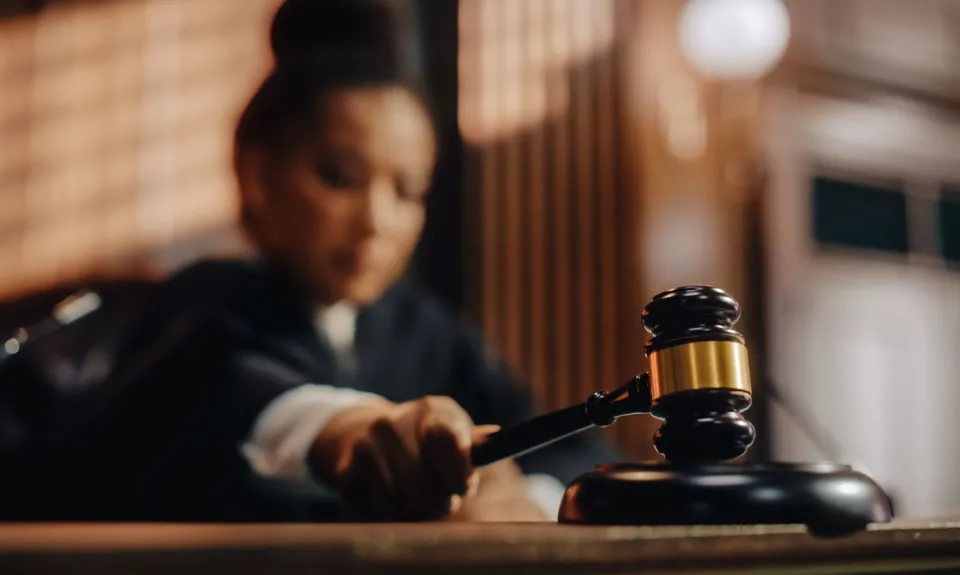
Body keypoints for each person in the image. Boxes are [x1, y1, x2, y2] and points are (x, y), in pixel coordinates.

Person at [7, 0, 619, 523]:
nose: (377, 219)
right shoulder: (204, 303)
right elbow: (240, 397)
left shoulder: (426, 329)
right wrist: (353, 432)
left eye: (408, 191)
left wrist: (529, 499)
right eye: (340, 176)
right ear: (257, 174)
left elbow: (566, 444)